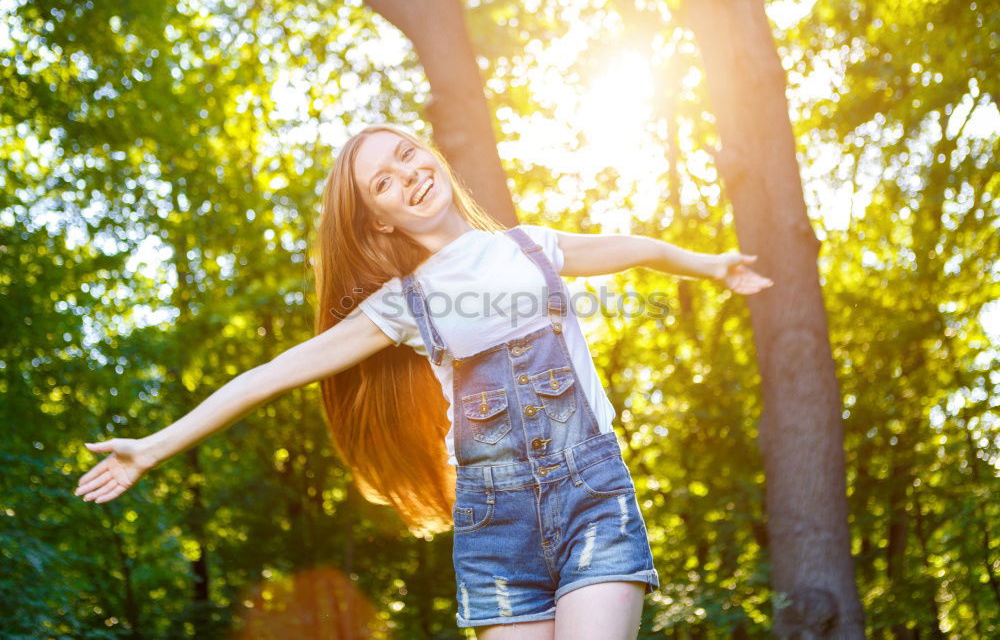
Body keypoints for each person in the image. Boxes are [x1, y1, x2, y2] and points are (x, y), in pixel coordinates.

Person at [75, 124, 773, 639]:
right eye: (383, 181)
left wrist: (709, 263)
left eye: (406, 152)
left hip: (591, 493)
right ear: (378, 219)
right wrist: (154, 446)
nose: (406, 173)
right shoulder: (399, 306)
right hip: (495, 526)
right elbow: (271, 375)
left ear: (432, 155)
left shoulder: (533, 248)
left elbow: (632, 248)